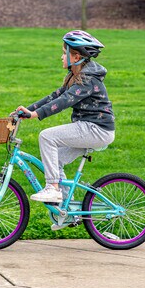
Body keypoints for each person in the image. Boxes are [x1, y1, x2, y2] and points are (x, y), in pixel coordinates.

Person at [14, 30, 115, 220]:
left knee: (47, 136)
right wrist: (27, 110)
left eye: (63, 53)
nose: (61, 57)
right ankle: (67, 212)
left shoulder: (87, 79)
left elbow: (65, 100)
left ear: (76, 57)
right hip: (89, 127)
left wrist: (36, 114)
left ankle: (53, 188)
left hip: (96, 129)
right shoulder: (75, 76)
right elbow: (56, 96)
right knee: (55, 160)